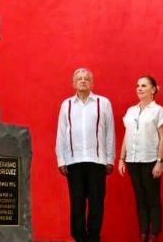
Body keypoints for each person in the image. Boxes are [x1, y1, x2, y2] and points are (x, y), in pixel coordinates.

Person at [55, 68, 116, 242]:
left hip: (97, 161)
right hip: (74, 161)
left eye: (86, 78)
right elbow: (61, 133)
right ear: (73, 83)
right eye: (79, 79)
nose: (83, 81)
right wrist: (61, 159)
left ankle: (94, 237)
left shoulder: (103, 103)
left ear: (92, 83)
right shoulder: (66, 105)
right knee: (77, 202)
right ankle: (79, 237)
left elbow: (110, 132)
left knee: (97, 202)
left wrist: (109, 158)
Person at [117, 75, 163, 242]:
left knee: (152, 198)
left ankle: (154, 233)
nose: (139, 88)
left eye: (144, 85)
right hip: (132, 161)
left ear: (153, 90)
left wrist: (160, 161)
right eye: (138, 85)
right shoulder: (131, 111)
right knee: (139, 198)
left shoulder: (158, 110)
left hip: (150, 161)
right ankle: (143, 233)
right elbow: (127, 135)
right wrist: (121, 158)